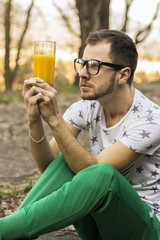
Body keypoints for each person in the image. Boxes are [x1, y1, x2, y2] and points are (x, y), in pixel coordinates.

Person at [0, 29, 160, 240]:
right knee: (66, 160)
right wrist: (34, 121)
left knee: (101, 174)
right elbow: (50, 170)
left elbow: (96, 176)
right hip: (98, 225)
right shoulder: (87, 107)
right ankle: (11, 234)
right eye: (82, 63)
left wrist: (55, 119)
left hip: (143, 229)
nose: (82, 72)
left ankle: (5, 230)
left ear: (123, 74)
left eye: (94, 66)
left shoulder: (151, 121)